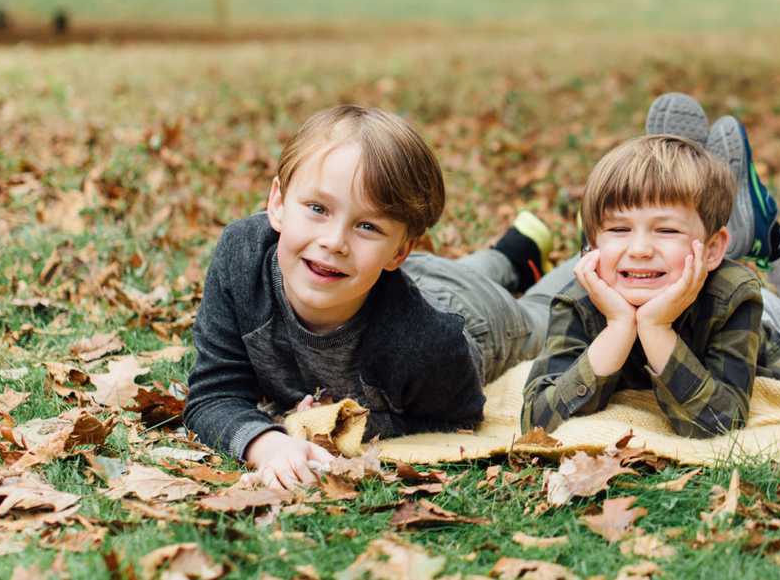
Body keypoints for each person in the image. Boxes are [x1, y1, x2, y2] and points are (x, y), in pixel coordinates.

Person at [185, 105, 575, 488]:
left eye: (367, 225)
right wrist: (266, 444)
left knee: (542, 313)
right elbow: (213, 393)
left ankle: (593, 251)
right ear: (277, 203)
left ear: (399, 250)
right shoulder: (244, 257)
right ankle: (512, 254)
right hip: (387, 278)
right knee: (449, 273)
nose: (334, 242)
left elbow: (457, 417)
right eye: (318, 208)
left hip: (477, 318)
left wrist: (349, 420)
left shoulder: (428, 345)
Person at [521, 99, 780, 438]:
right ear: (593, 244)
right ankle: (694, 188)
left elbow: (720, 421)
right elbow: (538, 422)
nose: (640, 250)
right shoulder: (578, 301)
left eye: (666, 229)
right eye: (619, 229)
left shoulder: (734, 296)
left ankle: (770, 237)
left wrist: (655, 328)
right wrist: (618, 327)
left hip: (761, 322)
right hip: (686, 271)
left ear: (714, 248)